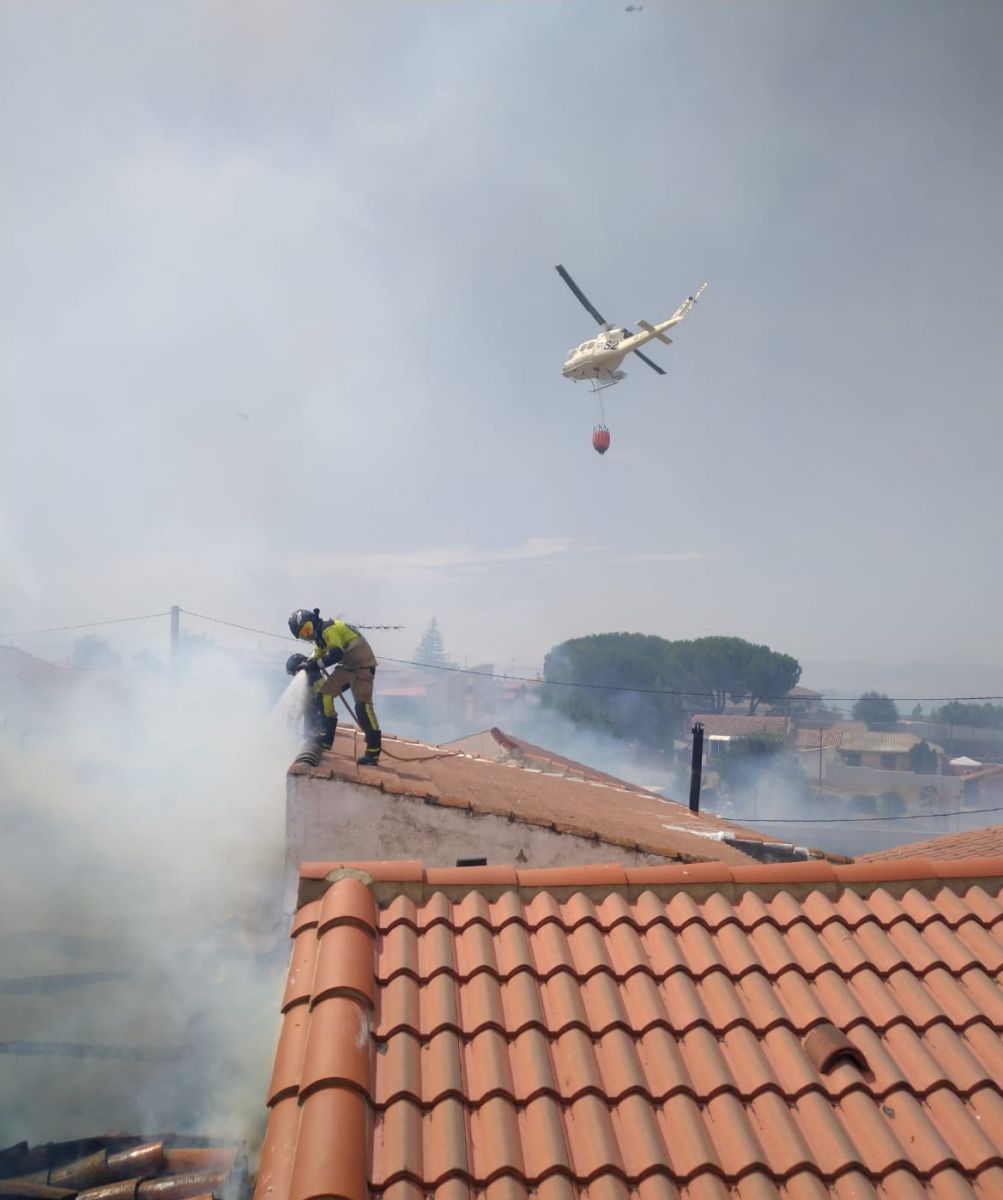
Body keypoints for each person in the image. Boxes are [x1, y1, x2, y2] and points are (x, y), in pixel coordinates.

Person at [286, 608, 382, 765]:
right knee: (324, 695)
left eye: (307, 629)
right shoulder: (320, 639)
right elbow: (317, 653)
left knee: (362, 707)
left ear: (313, 619)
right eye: (304, 634)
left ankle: (373, 751)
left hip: (363, 666)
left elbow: (336, 653)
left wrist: (315, 665)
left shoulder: (328, 629)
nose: (308, 634)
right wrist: (307, 664)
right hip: (347, 667)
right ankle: (326, 736)